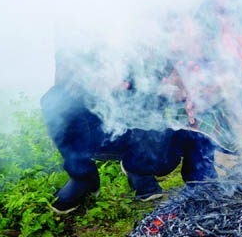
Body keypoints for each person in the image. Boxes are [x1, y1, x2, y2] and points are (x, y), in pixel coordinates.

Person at [41, 51, 220, 214]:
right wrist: (90, 80)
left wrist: (178, 76)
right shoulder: (76, 25)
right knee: (55, 99)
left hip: (155, 110)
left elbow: (198, 56)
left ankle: (198, 175)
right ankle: (82, 176)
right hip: (103, 118)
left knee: (196, 92)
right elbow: (64, 75)